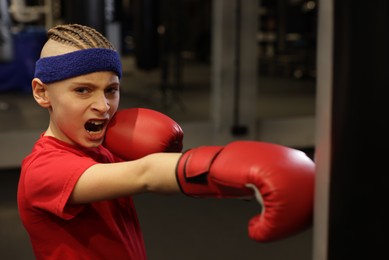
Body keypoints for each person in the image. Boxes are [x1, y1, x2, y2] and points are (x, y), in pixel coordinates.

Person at [17, 24, 315, 259]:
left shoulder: (102, 146)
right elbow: (145, 174)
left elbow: (169, 177)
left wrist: (245, 182)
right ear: (42, 93)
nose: (103, 105)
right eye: (82, 91)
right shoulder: (43, 171)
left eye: (111, 90)